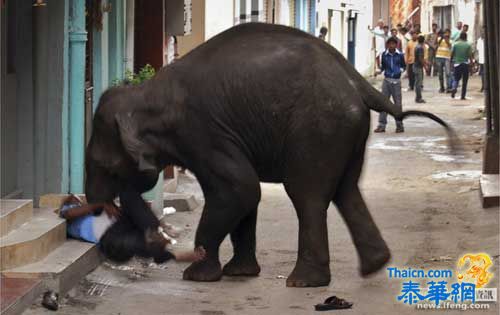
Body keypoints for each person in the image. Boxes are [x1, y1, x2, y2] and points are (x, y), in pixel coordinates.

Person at [59, 193, 205, 264]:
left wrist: (115, 209)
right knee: (135, 243)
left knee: (129, 197)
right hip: (109, 240)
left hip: (119, 228)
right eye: (74, 198)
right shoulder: (71, 211)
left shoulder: (92, 212)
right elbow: (67, 214)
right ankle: (165, 248)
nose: (77, 199)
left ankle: (155, 232)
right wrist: (99, 205)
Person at [374, 37, 406, 133]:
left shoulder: (400, 55)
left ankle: (399, 125)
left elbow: (403, 66)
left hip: (396, 81)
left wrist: (400, 71)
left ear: (396, 45)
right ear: (387, 45)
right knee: (383, 103)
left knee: (398, 105)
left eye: (394, 44)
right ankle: (381, 125)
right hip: (386, 81)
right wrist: (379, 71)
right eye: (390, 44)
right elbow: (383, 67)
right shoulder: (384, 55)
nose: (392, 46)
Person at [451, 32, 473, 99]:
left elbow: (452, 54)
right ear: (466, 37)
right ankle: (463, 96)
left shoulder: (455, 44)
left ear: (460, 37)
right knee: (465, 81)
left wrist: (451, 61)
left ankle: (454, 87)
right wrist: (471, 63)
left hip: (457, 64)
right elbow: (470, 56)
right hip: (465, 64)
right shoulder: (468, 45)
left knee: (456, 78)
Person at [435, 29, 453, 93]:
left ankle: (448, 87)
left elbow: (449, 45)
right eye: (445, 33)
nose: (446, 34)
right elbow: (436, 44)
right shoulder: (440, 39)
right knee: (440, 74)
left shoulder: (451, 40)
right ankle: (441, 87)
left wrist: (446, 39)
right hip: (439, 57)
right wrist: (441, 37)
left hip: (447, 58)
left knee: (448, 73)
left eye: (448, 33)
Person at [414, 35, 427, 103]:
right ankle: (419, 98)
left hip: (415, 66)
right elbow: (420, 58)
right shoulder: (420, 48)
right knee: (419, 83)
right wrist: (425, 66)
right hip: (418, 66)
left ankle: (417, 97)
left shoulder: (416, 46)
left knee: (417, 83)